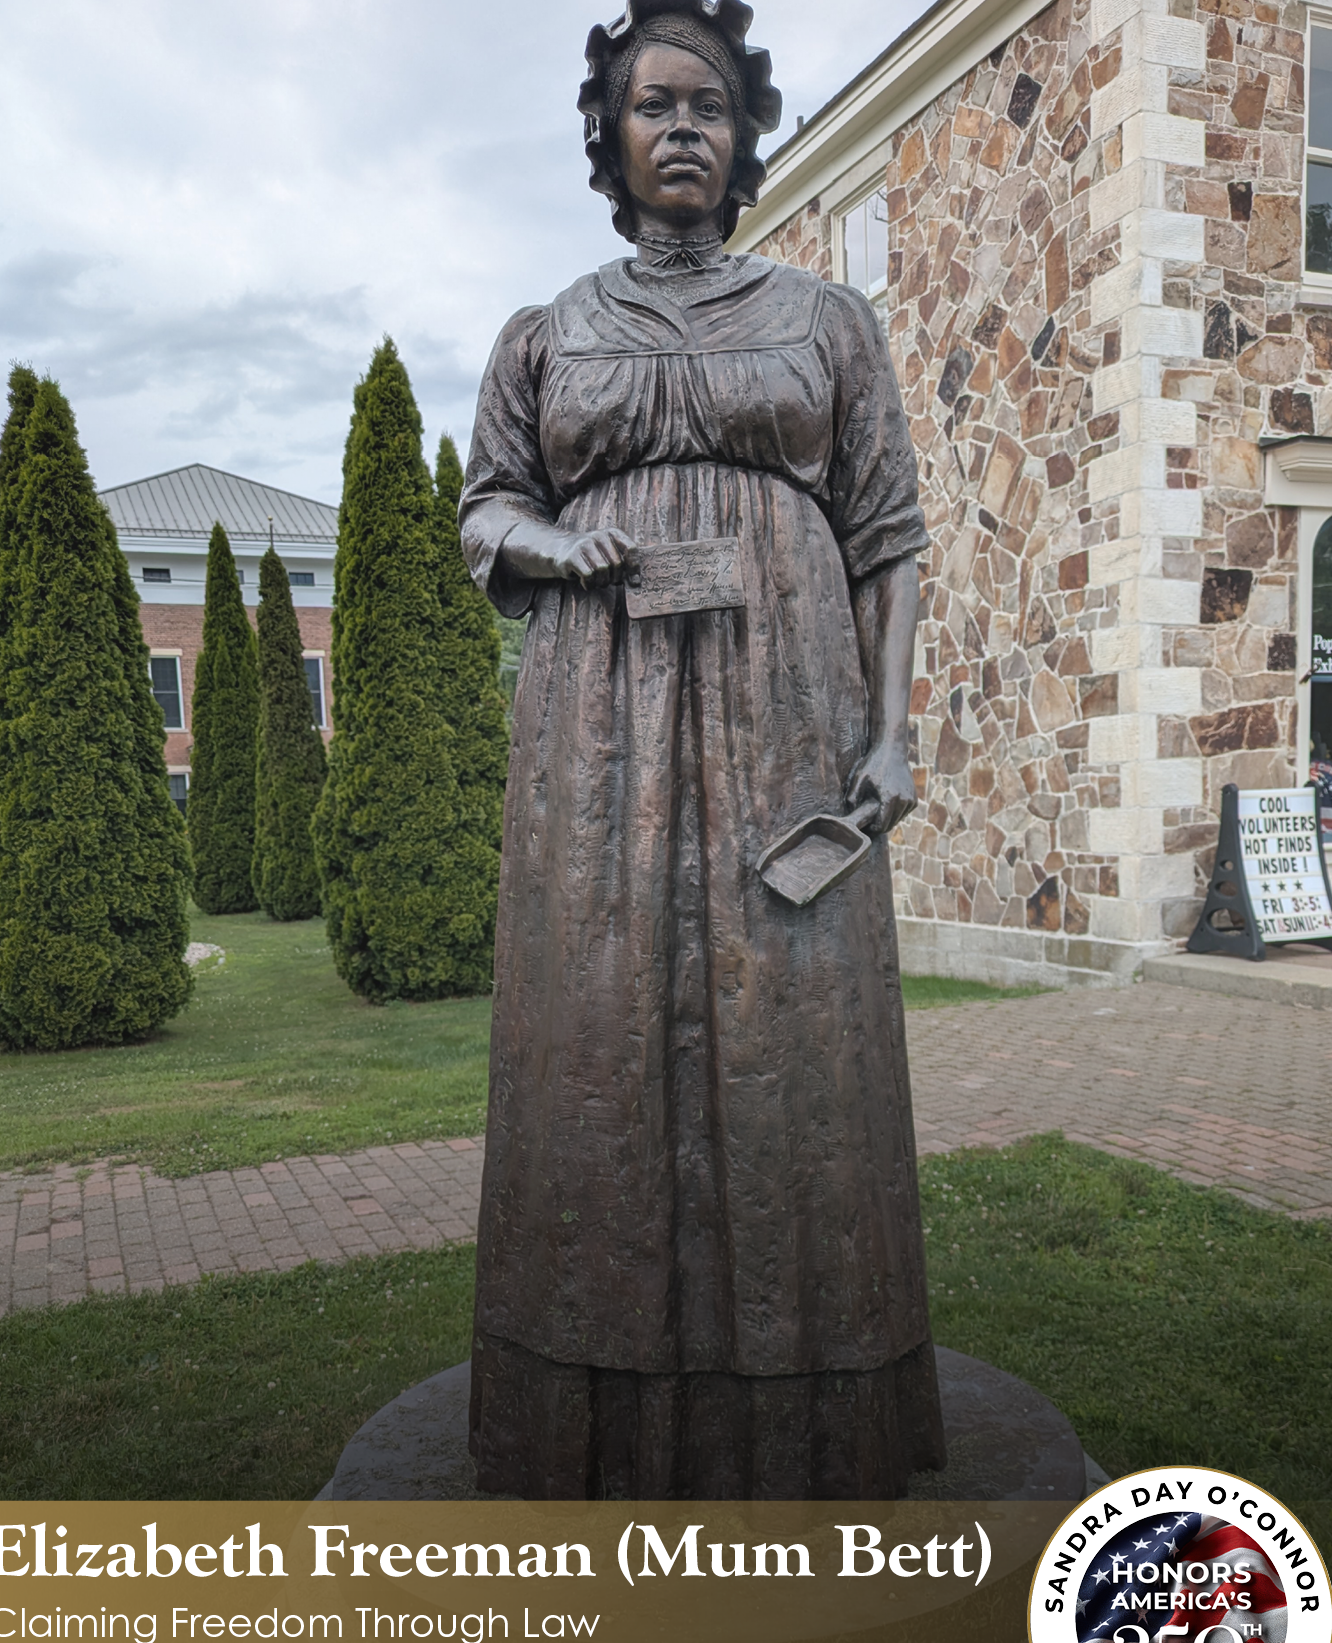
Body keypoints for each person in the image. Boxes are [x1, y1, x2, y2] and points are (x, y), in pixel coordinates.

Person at [459, 0, 944, 1499]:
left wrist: (889, 729)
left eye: (712, 107)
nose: (683, 128)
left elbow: (890, 539)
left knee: (796, 1029)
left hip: (789, 707)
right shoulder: (548, 332)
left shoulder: (825, 324)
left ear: (745, 138)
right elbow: (484, 506)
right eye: (655, 104)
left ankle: (815, 1409)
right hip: (597, 722)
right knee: (598, 1019)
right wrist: (552, 540)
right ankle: (585, 1413)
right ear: (609, 136)